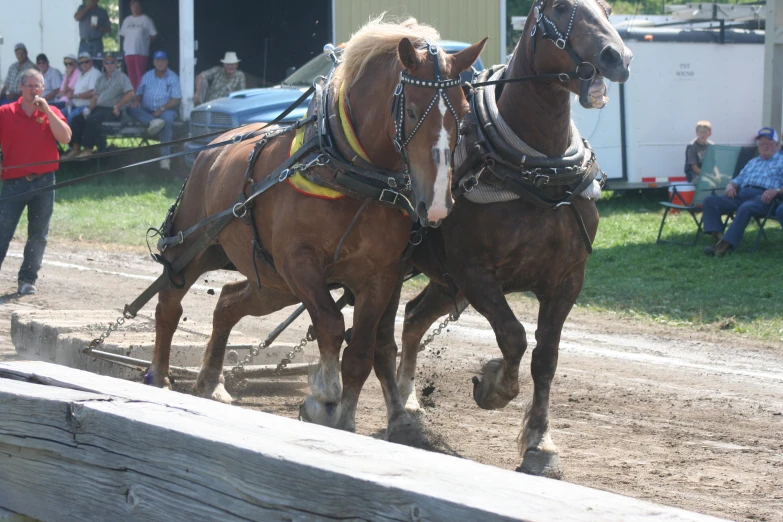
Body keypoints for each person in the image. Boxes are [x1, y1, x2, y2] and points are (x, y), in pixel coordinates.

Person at [0, 69, 72, 296]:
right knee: (3, 231)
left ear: (43, 89)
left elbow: (65, 138)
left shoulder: (52, 112)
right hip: (13, 183)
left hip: (44, 182)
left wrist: (48, 111)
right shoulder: (5, 112)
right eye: (29, 86)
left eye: (37, 86)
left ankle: (27, 279)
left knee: (38, 234)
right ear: (21, 88)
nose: (34, 91)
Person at [702, 127, 783, 257]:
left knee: (746, 208)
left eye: (768, 143)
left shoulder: (781, 161)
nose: (764, 146)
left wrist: (776, 190)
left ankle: (724, 246)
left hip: (764, 198)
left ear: (777, 145)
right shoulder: (752, 162)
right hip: (742, 194)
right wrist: (731, 185)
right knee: (710, 200)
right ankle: (719, 236)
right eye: (761, 143)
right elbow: (738, 179)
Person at [66, 52, 134, 158]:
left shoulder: (122, 77)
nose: (109, 64)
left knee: (92, 119)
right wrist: (89, 109)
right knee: (77, 119)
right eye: (107, 62)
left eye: (112, 62)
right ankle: (75, 149)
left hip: (112, 110)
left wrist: (118, 106)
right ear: (104, 64)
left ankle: (88, 149)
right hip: (98, 108)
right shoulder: (101, 79)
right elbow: (95, 96)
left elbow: (130, 93)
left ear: (116, 63)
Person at [128, 51, 181, 170]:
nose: (160, 63)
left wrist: (161, 109)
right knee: (130, 108)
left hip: (166, 109)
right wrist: (136, 101)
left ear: (167, 62)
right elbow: (139, 93)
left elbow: (176, 99)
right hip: (147, 109)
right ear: (154, 62)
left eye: (162, 60)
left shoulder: (173, 77)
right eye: (157, 60)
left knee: (167, 121)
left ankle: (165, 158)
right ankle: (152, 121)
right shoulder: (147, 76)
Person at [119, 0, 158, 90]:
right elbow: (123, 34)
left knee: (140, 75)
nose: (135, 8)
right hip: (128, 52)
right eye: (133, 6)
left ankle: (140, 97)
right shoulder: (127, 20)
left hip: (141, 52)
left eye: (137, 6)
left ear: (141, 7)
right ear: (130, 7)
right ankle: (133, 97)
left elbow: (154, 34)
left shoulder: (146, 19)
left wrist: (145, 42)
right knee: (131, 75)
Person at [68, 52, 102, 125]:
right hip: (74, 105)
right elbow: (73, 90)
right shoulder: (81, 74)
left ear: (91, 62)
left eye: (86, 62)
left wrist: (75, 96)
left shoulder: (94, 73)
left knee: (70, 117)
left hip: (87, 107)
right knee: (59, 114)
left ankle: (69, 136)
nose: (84, 64)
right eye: (81, 62)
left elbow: (92, 92)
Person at [54, 54, 82, 119]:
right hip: (61, 101)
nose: (68, 66)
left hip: (68, 103)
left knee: (52, 111)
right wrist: (65, 92)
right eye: (66, 64)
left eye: (70, 64)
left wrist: (68, 76)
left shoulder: (77, 74)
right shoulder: (66, 74)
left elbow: (65, 91)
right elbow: (61, 93)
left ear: (75, 64)